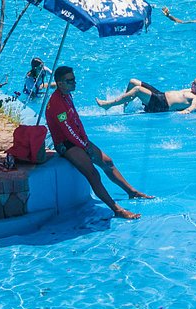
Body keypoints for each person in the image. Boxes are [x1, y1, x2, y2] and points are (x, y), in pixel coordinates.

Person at [44, 67, 152, 218]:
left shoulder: (67, 95)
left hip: (77, 139)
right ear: (60, 83)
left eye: (74, 79)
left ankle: (131, 192)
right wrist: (84, 146)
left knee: (107, 162)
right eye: (70, 81)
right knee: (93, 174)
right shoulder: (56, 104)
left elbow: (76, 122)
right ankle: (117, 209)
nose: (74, 83)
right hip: (65, 144)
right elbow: (67, 130)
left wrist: (85, 141)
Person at [97, 75, 196, 115]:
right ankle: (125, 105)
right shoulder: (192, 90)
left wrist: (185, 112)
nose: (191, 84)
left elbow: (193, 107)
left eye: (194, 83)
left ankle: (108, 104)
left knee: (137, 90)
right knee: (133, 82)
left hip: (161, 104)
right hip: (160, 95)